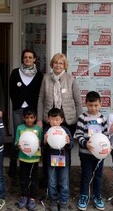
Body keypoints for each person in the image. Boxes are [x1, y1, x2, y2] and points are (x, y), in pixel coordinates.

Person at [37, 53, 82, 188]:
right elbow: (41, 99)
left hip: (67, 121)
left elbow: (78, 102)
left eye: (61, 63)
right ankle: (48, 181)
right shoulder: (46, 78)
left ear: (65, 65)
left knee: (65, 150)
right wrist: (39, 119)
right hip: (48, 120)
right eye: (56, 63)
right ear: (52, 64)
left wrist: (80, 121)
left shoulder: (71, 79)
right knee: (47, 150)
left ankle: (63, 181)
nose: (58, 65)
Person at [8, 49, 44, 177]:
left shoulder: (39, 75)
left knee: (33, 137)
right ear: (23, 59)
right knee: (17, 137)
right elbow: (11, 91)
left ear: (34, 59)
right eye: (25, 57)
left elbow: (40, 93)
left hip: (33, 110)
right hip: (18, 110)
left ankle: (32, 164)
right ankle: (13, 165)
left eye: (30, 57)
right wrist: (18, 103)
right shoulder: (15, 72)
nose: (28, 59)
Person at [74, 91, 109, 211]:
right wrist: (85, 144)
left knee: (98, 176)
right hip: (85, 154)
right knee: (86, 175)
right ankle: (84, 196)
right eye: (90, 105)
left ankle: (97, 196)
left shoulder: (103, 118)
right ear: (86, 104)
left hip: (99, 155)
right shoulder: (82, 118)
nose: (93, 108)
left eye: (95, 105)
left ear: (100, 104)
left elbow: (106, 135)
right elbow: (78, 134)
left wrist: (106, 147)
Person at [43, 107, 73, 211]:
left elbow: (72, 144)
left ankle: (64, 202)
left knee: (64, 183)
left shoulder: (65, 130)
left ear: (62, 120)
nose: (55, 122)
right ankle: (53, 201)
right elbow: (43, 147)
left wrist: (68, 142)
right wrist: (45, 142)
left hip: (64, 162)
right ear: (48, 119)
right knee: (52, 182)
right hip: (51, 162)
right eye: (52, 119)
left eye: (57, 120)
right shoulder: (47, 131)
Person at [14, 108, 42, 210]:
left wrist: (39, 143)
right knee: (23, 178)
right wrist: (17, 145)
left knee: (33, 179)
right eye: (27, 118)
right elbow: (16, 142)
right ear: (23, 118)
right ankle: (24, 196)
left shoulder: (38, 129)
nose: (29, 120)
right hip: (23, 158)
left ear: (35, 118)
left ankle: (32, 197)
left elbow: (41, 142)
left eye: (31, 117)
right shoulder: (20, 128)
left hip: (34, 159)